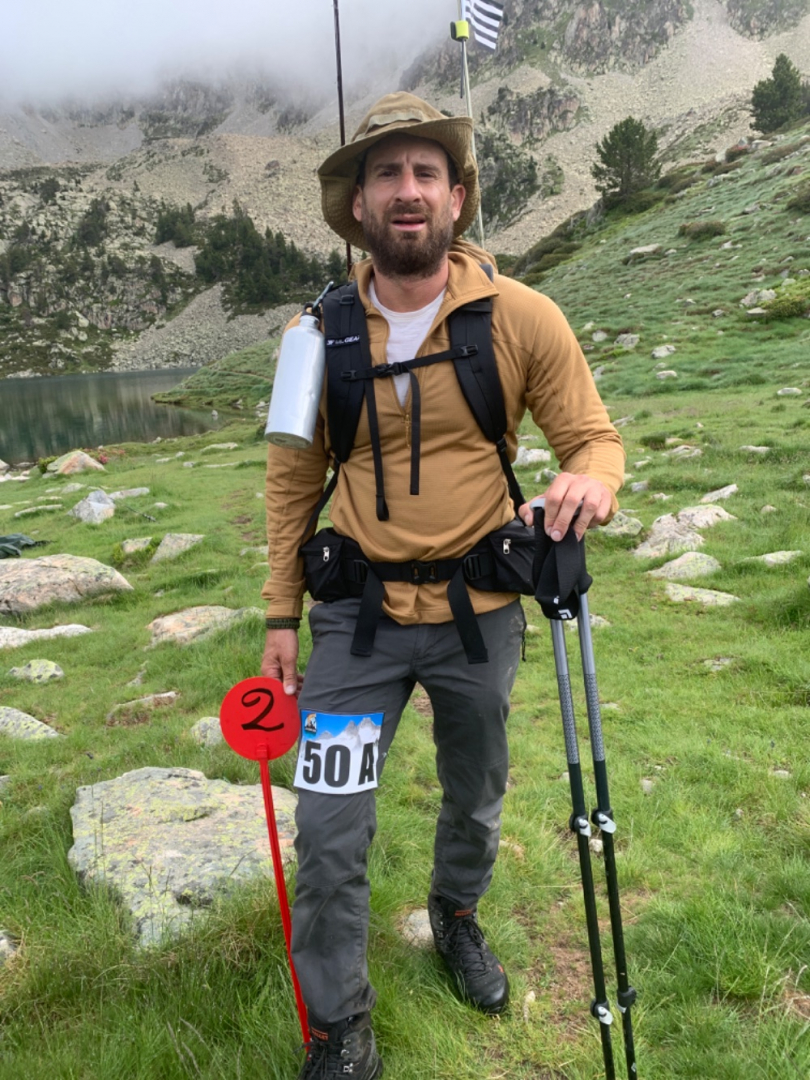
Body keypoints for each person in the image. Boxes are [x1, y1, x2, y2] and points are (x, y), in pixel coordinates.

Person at [261, 91, 625, 1080]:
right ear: (359, 205)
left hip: (483, 617)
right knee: (328, 829)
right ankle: (338, 1024)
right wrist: (280, 614)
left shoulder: (522, 316)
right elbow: (292, 483)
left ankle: (457, 912)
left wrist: (591, 482)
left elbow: (593, 437)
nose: (408, 190)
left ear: (457, 198)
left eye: (427, 172)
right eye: (387, 173)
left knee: (475, 792)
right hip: (354, 624)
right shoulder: (313, 336)